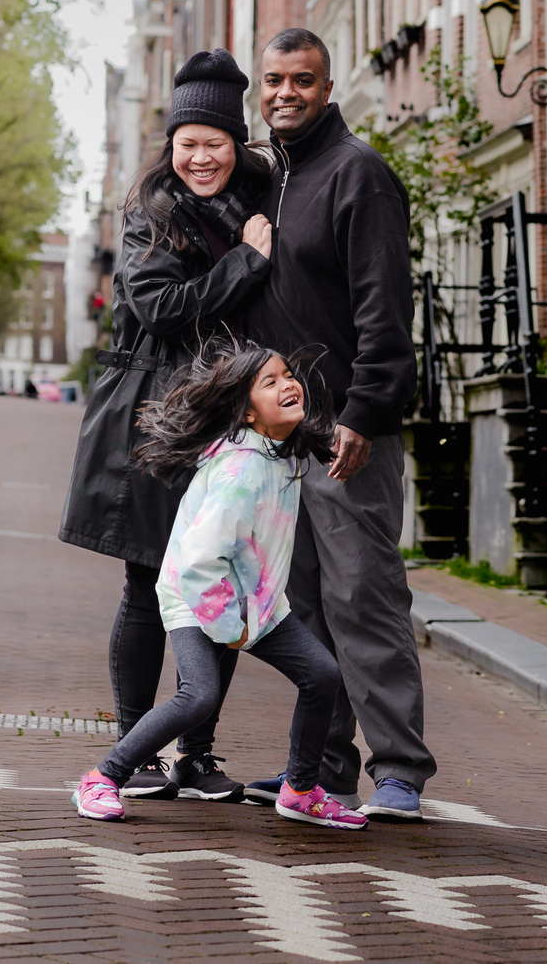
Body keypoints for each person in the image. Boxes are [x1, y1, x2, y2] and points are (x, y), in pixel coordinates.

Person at [59, 48, 273, 803]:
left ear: (235, 143)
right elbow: (161, 307)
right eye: (189, 143)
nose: (201, 157)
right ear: (171, 145)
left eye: (215, 142)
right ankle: (137, 751)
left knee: (221, 583)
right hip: (154, 415)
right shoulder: (150, 211)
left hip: (224, 416)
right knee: (149, 581)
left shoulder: (259, 199)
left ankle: (197, 754)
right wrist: (245, 265)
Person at [243, 28, 436, 820]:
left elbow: (386, 308)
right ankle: (321, 770)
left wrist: (365, 411)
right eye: (274, 80)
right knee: (304, 607)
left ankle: (399, 771)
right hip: (283, 437)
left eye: (303, 80)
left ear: (329, 89)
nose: (286, 93)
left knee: (366, 597)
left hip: (348, 435)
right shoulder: (268, 182)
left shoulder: (360, 175)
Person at [71, 342, 367, 833]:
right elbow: (201, 560)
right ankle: (103, 777)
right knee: (199, 697)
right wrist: (230, 625)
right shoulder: (240, 469)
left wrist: (250, 614)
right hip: (197, 595)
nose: (288, 384)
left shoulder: (284, 454)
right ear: (248, 413)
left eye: (288, 374)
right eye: (269, 382)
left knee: (321, 675)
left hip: (254, 601)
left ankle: (299, 789)